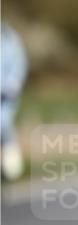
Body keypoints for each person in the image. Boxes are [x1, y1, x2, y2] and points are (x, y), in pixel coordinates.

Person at [1, 22, 28, 181]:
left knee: (4, 127)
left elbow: (19, 64)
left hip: (5, 96)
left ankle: (11, 169)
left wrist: (12, 83)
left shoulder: (10, 39)